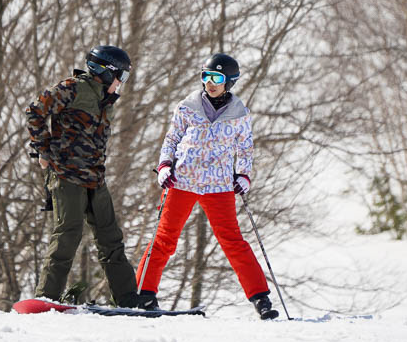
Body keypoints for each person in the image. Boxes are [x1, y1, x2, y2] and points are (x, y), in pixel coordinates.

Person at [135, 53, 279, 319]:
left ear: (230, 82)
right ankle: (143, 295)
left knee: (233, 241)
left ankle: (261, 298)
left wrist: (243, 175)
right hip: (183, 181)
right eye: (205, 76)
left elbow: (245, 148)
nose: (209, 83)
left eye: (216, 78)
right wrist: (165, 165)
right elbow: (172, 138)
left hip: (219, 185)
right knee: (165, 238)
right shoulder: (187, 106)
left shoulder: (239, 113)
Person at [26, 45, 144, 308]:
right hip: (67, 176)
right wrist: (44, 150)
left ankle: (129, 301)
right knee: (67, 235)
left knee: (111, 239)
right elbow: (35, 111)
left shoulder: (105, 101)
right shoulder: (72, 88)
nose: (121, 84)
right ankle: (46, 298)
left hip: (95, 179)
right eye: (121, 76)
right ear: (104, 72)